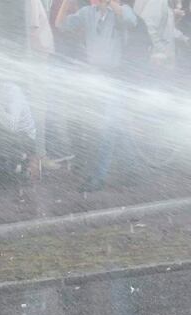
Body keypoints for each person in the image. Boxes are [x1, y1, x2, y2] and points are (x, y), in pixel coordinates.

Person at [55, 0, 140, 191]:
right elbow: (60, 25)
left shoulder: (122, 11)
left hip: (115, 79)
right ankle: (134, 168)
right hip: (95, 79)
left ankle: (98, 177)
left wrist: (111, 3)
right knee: (116, 127)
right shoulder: (87, 13)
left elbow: (131, 22)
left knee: (107, 129)